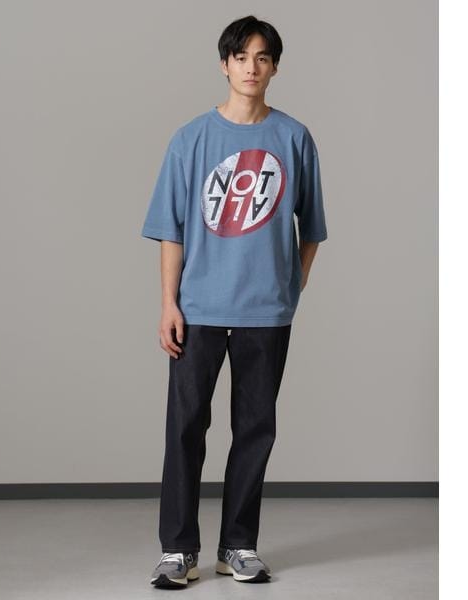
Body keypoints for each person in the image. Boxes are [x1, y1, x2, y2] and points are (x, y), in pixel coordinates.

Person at [141, 15, 328, 588]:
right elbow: (171, 230)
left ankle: (238, 545)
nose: (252, 67)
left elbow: (312, 229)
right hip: (198, 308)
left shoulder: (294, 138)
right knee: (184, 429)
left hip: (265, 313)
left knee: (255, 430)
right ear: (224, 64)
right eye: (242, 57)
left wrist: (290, 286)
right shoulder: (191, 139)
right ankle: (178, 550)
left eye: (263, 57)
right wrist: (169, 303)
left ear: (275, 67)